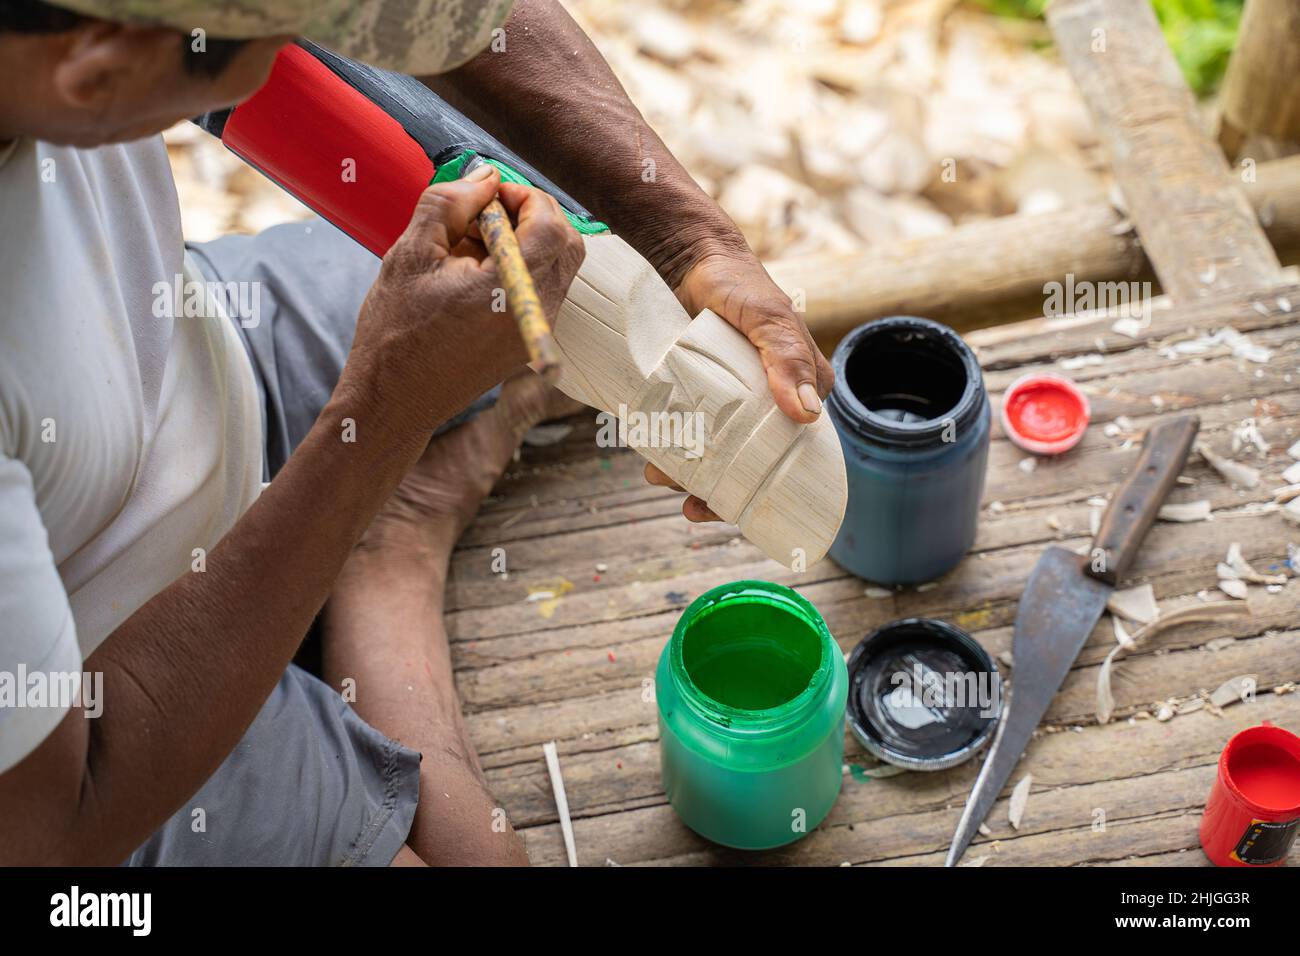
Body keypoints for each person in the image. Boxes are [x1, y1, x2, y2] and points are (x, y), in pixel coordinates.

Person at [0, 0, 834, 866]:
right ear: (97, 76)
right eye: (272, 37)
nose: (314, 42)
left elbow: (450, 17)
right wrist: (386, 409)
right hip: (105, 713)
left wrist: (679, 233)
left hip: (182, 346)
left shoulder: (75, 50)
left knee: (554, 304)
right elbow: (56, 825)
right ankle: (378, 512)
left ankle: (391, 527)